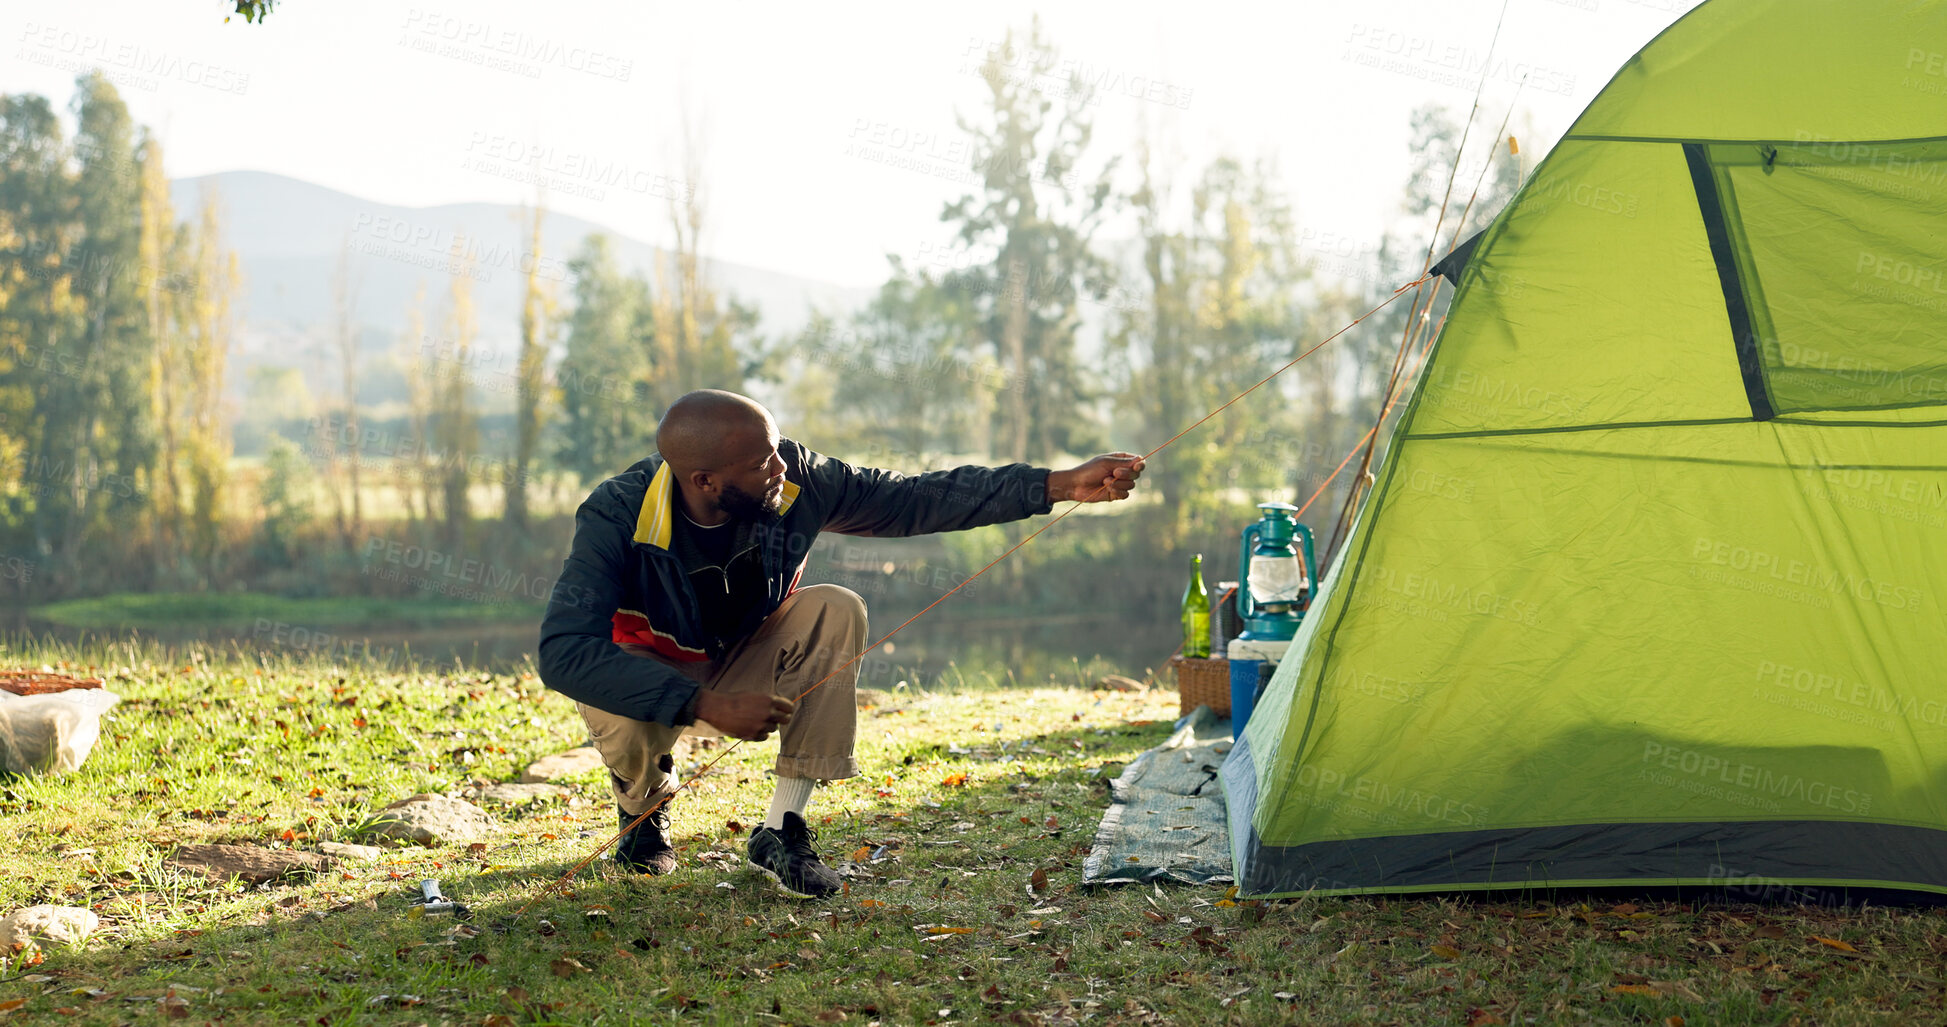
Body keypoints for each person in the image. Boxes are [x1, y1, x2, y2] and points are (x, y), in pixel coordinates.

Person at [538, 389, 1144, 898]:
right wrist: (701, 705)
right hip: (661, 674)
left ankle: (783, 828)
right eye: (759, 464)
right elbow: (564, 651)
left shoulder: (792, 478)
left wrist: (1058, 484)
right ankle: (643, 815)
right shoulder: (617, 515)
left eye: (776, 451)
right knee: (613, 688)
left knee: (836, 606)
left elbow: (912, 497)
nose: (780, 468)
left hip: (747, 655)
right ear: (704, 480)